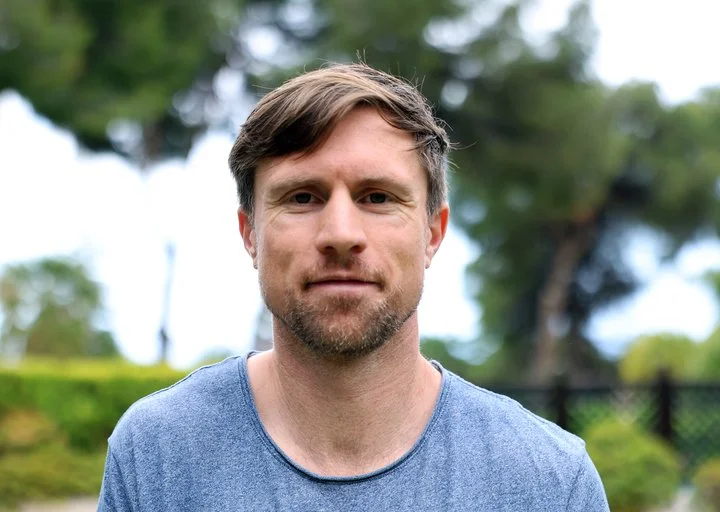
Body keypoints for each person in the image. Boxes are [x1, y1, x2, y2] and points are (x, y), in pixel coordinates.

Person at [98, 62, 609, 511]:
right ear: (250, 233)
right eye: (302, 197)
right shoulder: (158, 454)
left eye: (377, 197)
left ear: (432, 233)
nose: (341, 234)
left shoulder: (549, 482)